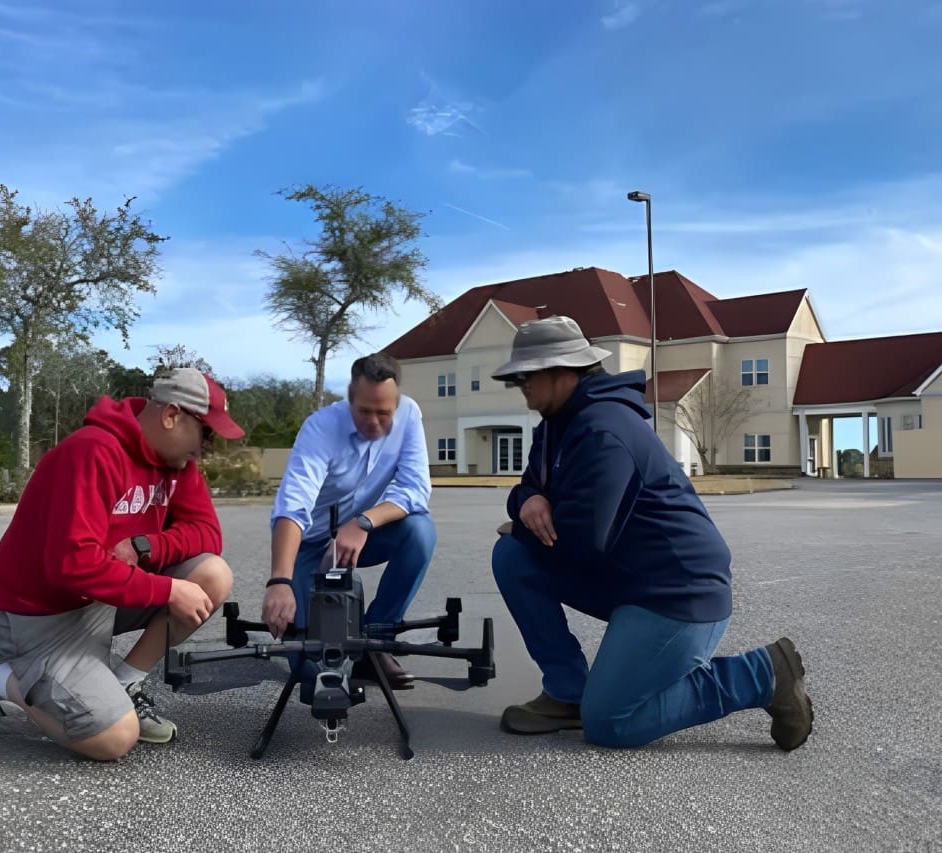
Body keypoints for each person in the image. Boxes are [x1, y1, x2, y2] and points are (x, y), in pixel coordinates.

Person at [490, 316, 813, 751]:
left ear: (563, 371)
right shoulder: (555, 424)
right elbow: (530, 484)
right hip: (628, 577)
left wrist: (523, 528)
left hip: (677, 591)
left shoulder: (604, 430)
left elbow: (583, 545)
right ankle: (567, 692)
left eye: (527, 377)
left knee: (610, 722)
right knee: (511, 555)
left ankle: (761, 675)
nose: (521, 387)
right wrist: (527, 501)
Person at [0, 367, 244, 761]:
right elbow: (72, 566)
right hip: (40, 617)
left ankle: (125, 684)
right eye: (206, 432)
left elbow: (208, 534)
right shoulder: (93, 450)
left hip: (101, 598)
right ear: (172, 415)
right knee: (113, 739)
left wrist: (144, 547)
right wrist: (169, 589)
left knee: (212, 575)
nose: (207, 446)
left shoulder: (177, 465)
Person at [261, 353, 434, 688]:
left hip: (358, 538)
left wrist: (364, 522)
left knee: (419, 531)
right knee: (313, 671)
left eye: (383, 413)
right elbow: (293, 504)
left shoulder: (410, 414)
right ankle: (317, 652)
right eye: (364, 411)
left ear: (396, 404)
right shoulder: (321, 427)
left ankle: (376, 641)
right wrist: (279, 582)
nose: (373, 421)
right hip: (309, 543)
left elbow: (415, 489)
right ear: (349, 399)